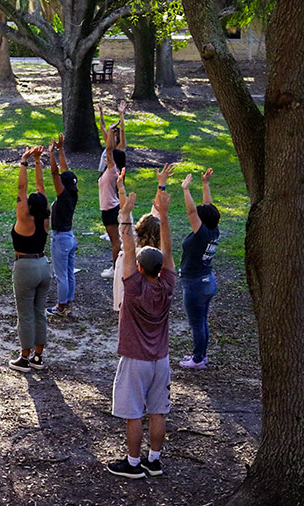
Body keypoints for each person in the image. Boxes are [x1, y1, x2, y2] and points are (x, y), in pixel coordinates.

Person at [107, 169, 176, 479]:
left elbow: (129, 246)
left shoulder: (133, 287)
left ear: (137, 268)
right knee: (158, 411)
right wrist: (164, 216)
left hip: (135, 360)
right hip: (161, 359)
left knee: (134, 414)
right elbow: (169, 251)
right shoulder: (168, 284)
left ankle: (133, 464)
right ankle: (154, 460)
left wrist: (124, 216)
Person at [9, 146, 51, 371]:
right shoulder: (45, 219)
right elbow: (40, 188)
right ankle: (38, 357)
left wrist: (23, 161)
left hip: (25, 267)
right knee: (39, 312)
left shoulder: (24, 220)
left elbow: (21, 187)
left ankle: (24, 358)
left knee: (25, 313)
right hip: (44, 266)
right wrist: (38, 161)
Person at [112, 164, 171, 312]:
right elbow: (157, 213)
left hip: (127, 295)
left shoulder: (131, 244)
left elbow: (125, 214)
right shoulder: (157, 253)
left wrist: (121, 189)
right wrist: (161, 185)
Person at [178, 169, 221, 369]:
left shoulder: (202, 233)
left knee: (197, 323)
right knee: (202, 321)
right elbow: (209, 207)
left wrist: (186, 190)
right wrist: (205, 184)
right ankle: (201, 355)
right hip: (207, 281)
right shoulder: (214, 229)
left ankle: (197, 359)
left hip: (195, 284)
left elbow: (191, 212)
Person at [46, 134, 78, 318]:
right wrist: (61, 149)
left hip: (61, 238)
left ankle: (61, 306)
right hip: (70, 238)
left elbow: (55, 174)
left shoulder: (63, 196)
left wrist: (51, 154)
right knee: (69, 273)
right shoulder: (72, 193)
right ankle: (68, 303)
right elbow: (64, 173)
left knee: (61, 276)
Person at [98, 101, 128, 278]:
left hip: (110, 207)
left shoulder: (112, 167)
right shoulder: (112, 169)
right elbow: (108, 147)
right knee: (117, 239)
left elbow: (110, 148)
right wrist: (102, 115)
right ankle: (119, 267)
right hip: (111, 205)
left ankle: (116, 269)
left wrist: (119, 119)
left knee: (116, 241)